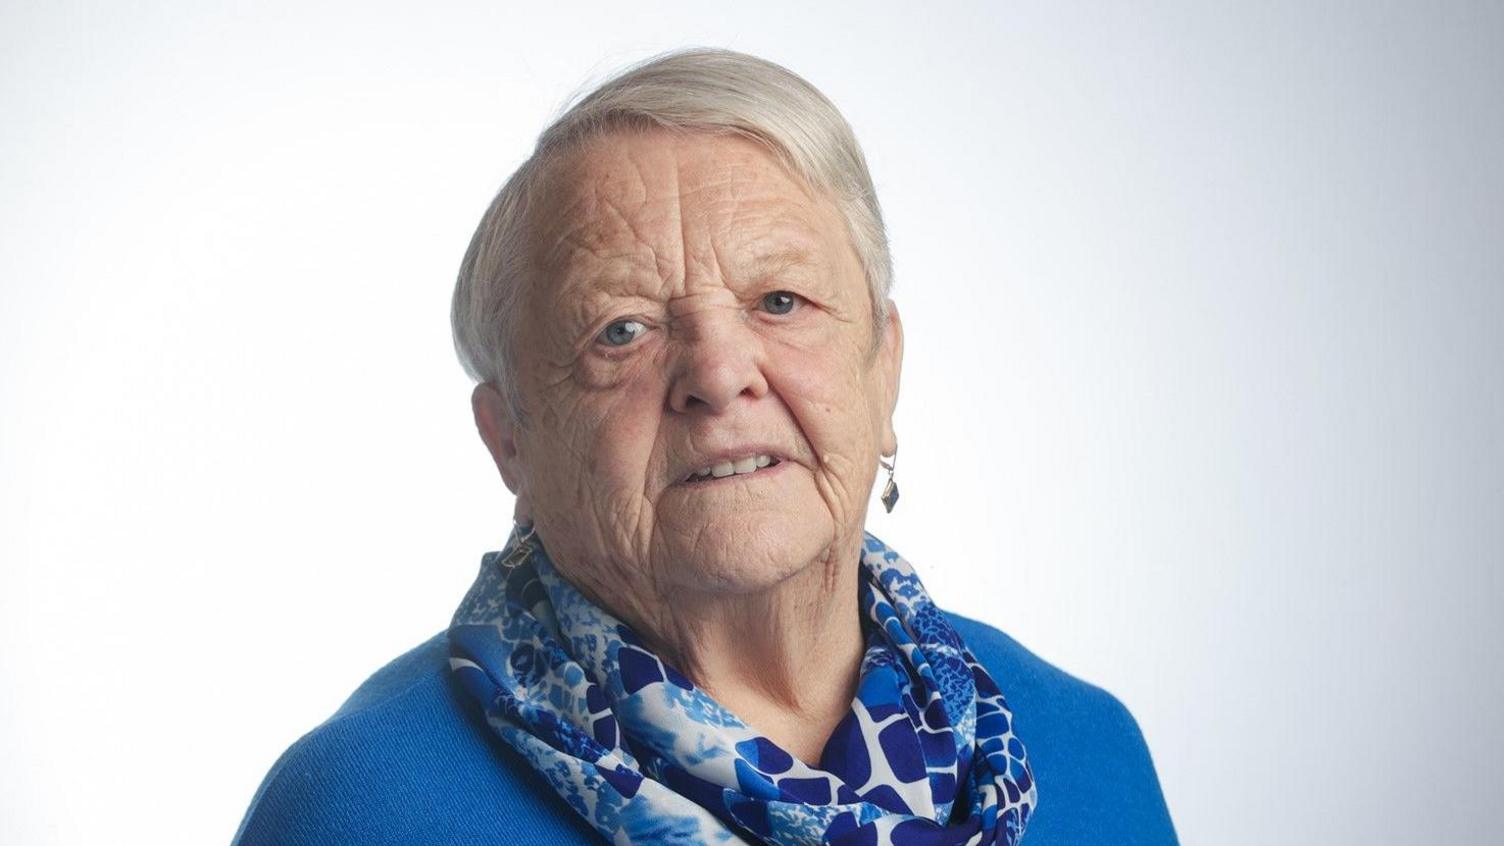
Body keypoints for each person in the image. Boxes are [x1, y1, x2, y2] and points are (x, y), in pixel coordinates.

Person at [233, 48, 1177, 845]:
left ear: (882, 370)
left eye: (780, 302)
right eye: (621, 331)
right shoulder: (365, 805)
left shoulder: (1082, 749)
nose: (720, 374)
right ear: (509, 439)